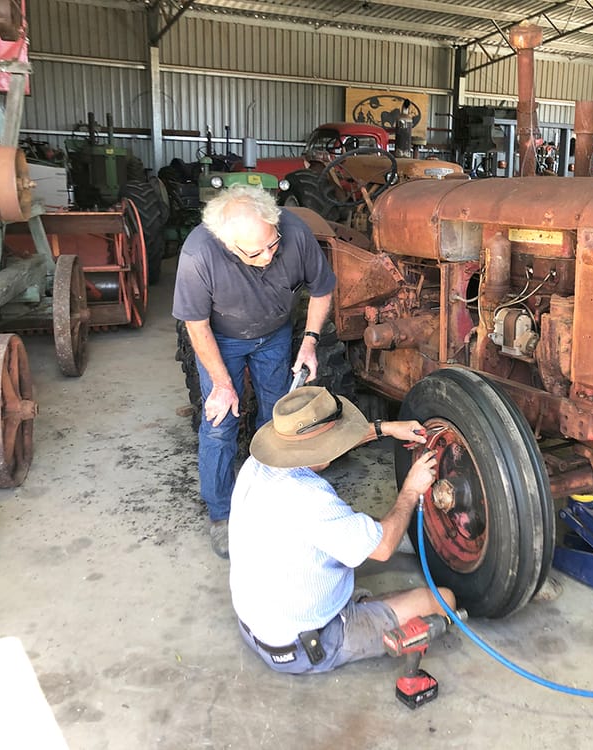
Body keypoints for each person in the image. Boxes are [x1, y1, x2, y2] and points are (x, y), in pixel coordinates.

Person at [228, 386, 458, 674]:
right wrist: (411, 489)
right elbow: (384, 548)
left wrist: (386, 429)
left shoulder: (257, 465)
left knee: (365, 528)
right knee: (443, 601)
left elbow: (323, 445)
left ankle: (361, 605)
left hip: (257, 624)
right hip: (302, 645)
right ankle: (354, 621)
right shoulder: (312, 499)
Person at [172, 184, 335, 558]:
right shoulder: (198, 254)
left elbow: (322, 289)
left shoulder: (294, 233)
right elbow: (196, 325)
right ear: (228, 244)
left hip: (275, 333)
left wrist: (309, 341)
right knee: (220, 424)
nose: (268, 255)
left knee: (276, 418)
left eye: (272, 244)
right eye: (255, 252)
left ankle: (271, 495)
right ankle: (222, 515)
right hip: (221, 339)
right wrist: (222, 384)